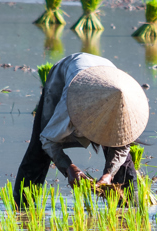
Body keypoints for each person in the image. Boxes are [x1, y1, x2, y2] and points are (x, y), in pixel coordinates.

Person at [14, 53, 149, 207]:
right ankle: (22, 207)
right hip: (66, 77)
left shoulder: (123, 104)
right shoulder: (72, 104)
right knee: (38, 150)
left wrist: (108, 174)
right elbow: (48, 139)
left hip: (109, 77)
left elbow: (122, 145)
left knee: (122, 160)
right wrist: (69, 168)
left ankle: (131, 208)